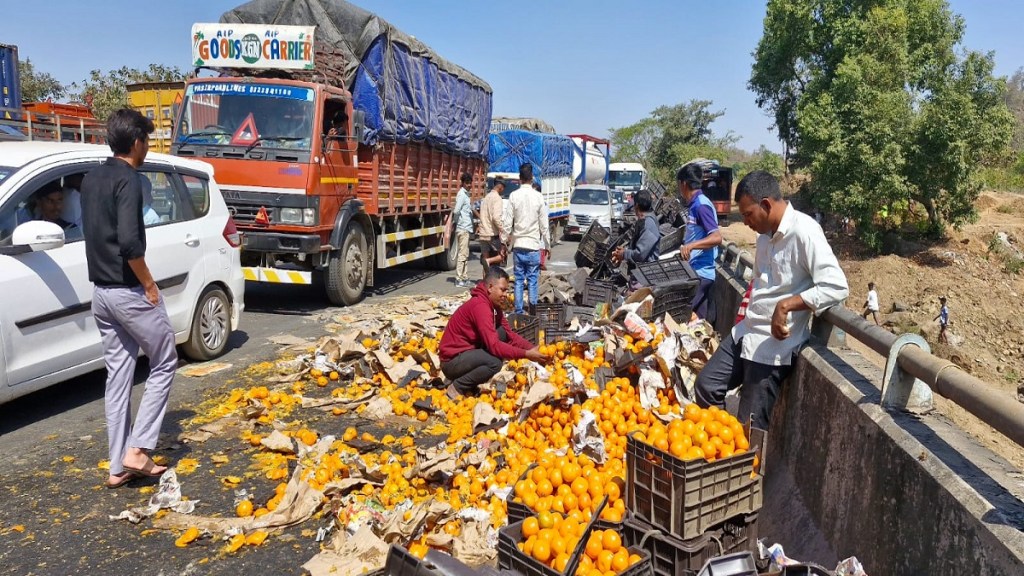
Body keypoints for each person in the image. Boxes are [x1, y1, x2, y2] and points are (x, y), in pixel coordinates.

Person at [694, 171, 849, 430]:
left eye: (747, 214)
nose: (745, 222)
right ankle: (719, 447)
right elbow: (758, 282)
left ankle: (744, 466)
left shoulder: (805, 231)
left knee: (749, 428)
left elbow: (836, 285)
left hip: (772, 349)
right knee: (706, 386)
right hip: (746, 332)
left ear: (766, 205)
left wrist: (786, 305)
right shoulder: (764, 237)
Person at [80, 108, 178, 489]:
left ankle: (117, 465)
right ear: (136, 142)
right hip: (128, 291)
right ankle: (138, 450)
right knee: (165, 358)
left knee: (119, 374)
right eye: (147, 141)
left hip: (100, 294)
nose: (148, 148)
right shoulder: (130, 180)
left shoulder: (90, 179)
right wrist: (150, 286)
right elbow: (131, 244)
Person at [439, 267, 550, 398]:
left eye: (506, 290)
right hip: (451, 362)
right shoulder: (480, 306)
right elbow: (494, 346)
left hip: (468, 352)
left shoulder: (494, 305)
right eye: (502, 290)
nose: (505, 294)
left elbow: (509, 334)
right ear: (490, 287)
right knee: (494, 363)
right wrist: (526, 354)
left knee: (502, 332)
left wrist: (532, 348)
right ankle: (457, 387)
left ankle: (471, 379)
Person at [677, 163, 723, 321]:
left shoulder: (701, 206)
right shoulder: (695, 204)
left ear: (683, 184)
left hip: (700, 273)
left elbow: (716, 237)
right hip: (696, 271)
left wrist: (691, 246)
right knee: (698, 321)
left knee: (682, 316)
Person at [502, 164, 550, 314]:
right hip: (533, 246)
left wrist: (504, 242)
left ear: (519, 179)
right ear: (532, 178)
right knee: (533, 280)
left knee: (518, 280)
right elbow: (544, 225)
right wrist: (547, 245)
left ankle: (518, 311)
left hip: (518, 245)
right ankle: (533, 310)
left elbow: (507, 222)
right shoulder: (538, 197)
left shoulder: (514, 196)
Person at [612, 189, 660, 266]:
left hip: (647, 270)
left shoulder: (648, 224)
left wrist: (624, 254)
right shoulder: (644, 220)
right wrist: (625, 251)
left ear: (636, 205)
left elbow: (640, 254)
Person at [477, 176, 506, 277]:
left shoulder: (486, 198)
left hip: (483, 233)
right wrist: (502, 229)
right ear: (501, 187)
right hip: (492, 234)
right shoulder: (497, 199)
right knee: (502, 256)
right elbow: (496, 218)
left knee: (485, 262)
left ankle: (484, 284)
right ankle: (490, 261)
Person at [452, 173, 475, 288]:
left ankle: (464, 277)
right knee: (462, 254)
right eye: (467, 183)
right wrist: (457, 222)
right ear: (463, 183)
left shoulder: (466, 195)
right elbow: (456, 211)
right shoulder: (461, 195)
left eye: (470, 183)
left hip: (466, 227)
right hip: (463, 228)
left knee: (465, 254)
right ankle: (458, 278)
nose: (469, 185)